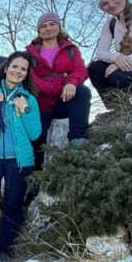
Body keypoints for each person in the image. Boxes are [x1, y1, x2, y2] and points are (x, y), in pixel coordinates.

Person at [0, 52, 42, 262]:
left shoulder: (28, 99)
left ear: (26, 74)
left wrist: (25, 110)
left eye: (23, 69)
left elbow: (35, 134)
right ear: (6, 68)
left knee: (13, 204)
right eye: (15, 66)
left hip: (19, 159)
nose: (18, 71)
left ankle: (4, 246)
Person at [26, 12, 90, 167]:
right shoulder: (31, 52)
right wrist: (56, 87)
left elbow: (80, 70)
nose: (48, 28)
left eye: (52, 24)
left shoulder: (70, 49)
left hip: (64, 100)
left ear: (59, 27)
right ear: (39, 31)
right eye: (43, 26)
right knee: (37, 138)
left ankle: (76, 140)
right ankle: (34, 176)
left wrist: (71, 83)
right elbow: (30, 77)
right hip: (41, 103)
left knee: (83, 91)